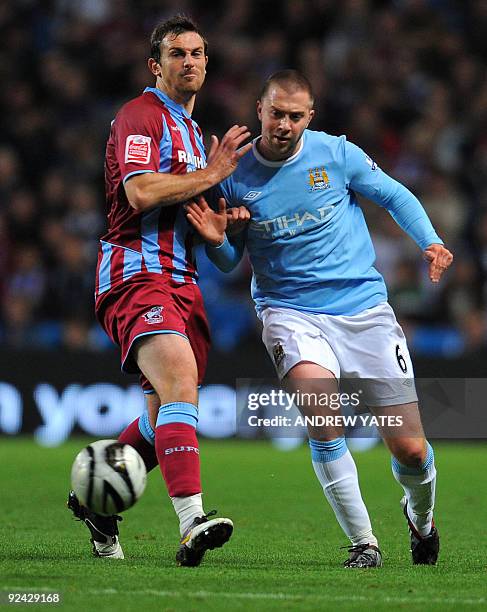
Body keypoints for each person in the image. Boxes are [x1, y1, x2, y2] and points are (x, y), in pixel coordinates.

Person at [186, 69, 453, 568]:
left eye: (295, 116)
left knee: (412, 449)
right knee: (323, 416)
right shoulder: (234, 174)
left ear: (309, 117)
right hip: (289, 312)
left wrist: (431, 242)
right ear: (259, 110)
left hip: (364, 311)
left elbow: (394, 194)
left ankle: (422, 521)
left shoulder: (335, 154)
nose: (284, 124)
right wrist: (220, 238)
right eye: (276, 113)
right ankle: (364, 543)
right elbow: (227, 262)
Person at [67, 14, 251, 567]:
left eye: (197, 52)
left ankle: (96, 502)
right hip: (134, 274)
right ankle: (193, 520)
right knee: (179, 379)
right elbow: (142, 192)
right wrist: (213, 172)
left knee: (161, 414)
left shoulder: (195, 136)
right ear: (157, 65)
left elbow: (215, 249)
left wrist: (220, 232)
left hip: (184, 284)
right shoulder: (139, 117)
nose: (189, 61)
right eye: (177, 53)